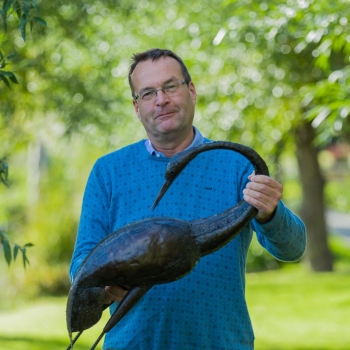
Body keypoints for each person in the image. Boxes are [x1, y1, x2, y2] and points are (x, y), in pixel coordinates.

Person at [69, 48, 306, 350]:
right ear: (136, 107)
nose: (161, 100)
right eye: (148, 93)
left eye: (170, 86)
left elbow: (293, 248)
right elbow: (81, 263)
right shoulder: (108, 172)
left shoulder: (236, 165)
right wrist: (103, 285)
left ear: (191, 91)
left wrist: (271, 213)